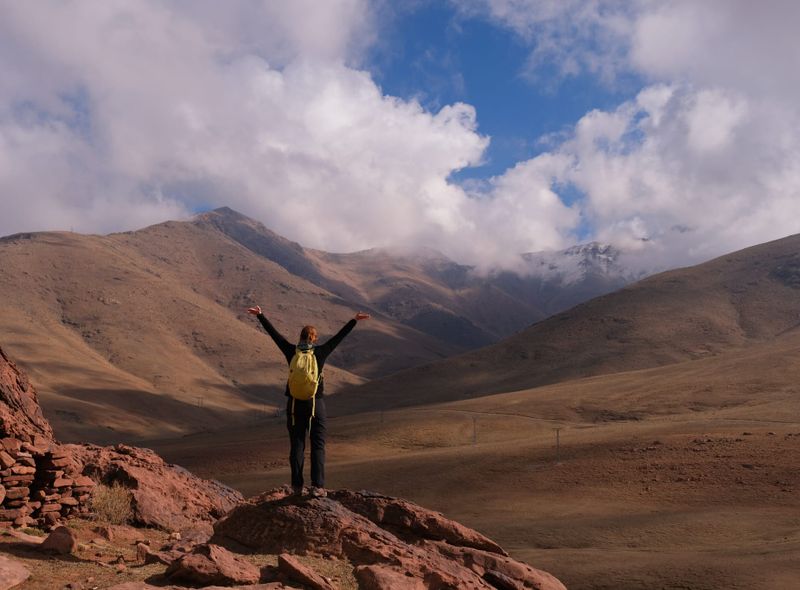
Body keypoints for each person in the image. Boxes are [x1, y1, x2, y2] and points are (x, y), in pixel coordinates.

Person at [247, 304, 370, 497]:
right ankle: (317, 487)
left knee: (297, 445)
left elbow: (275, 336)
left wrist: (261, 316)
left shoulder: (291, 352)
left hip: (294, 405)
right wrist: (354, 320)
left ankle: (296, 487)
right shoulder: (320, 353)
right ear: (314, 338)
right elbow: (338, 338)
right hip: (315, 404)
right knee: (318, 445)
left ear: (301, 337)